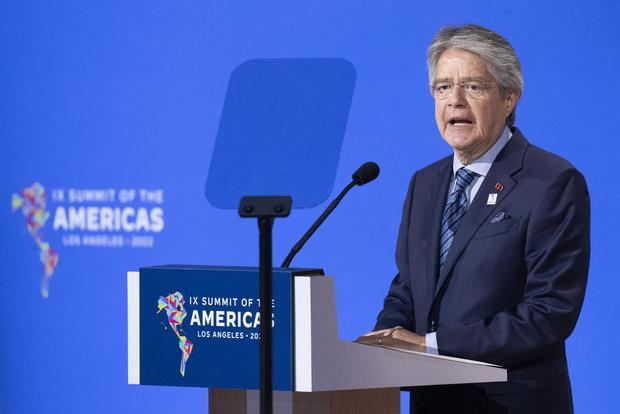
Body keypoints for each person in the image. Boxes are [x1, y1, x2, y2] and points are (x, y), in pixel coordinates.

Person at [370, 24, 590, 413]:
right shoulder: (425, 182)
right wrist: (383, 342)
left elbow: (548, 314)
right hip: (433, 402)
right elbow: (408, 288)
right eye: (442, 88)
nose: (454, 101)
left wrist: (430, 346)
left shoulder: (550, 181)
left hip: (510, 403)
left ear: (509, 97)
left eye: (473, 86)